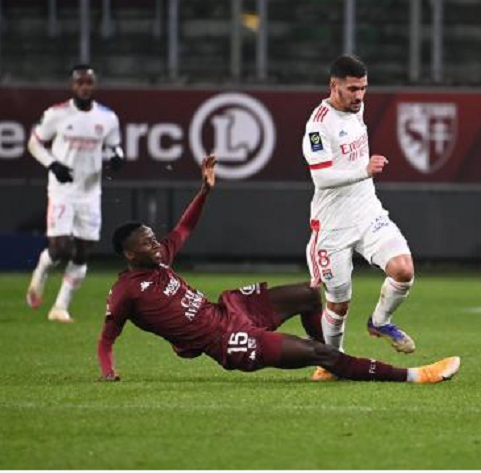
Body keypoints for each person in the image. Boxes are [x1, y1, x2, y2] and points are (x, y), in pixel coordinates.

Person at [97, 154, 460, 384]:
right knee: (320, 353)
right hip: (227, 342)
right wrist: (108, 371)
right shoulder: (127, 291)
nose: (155, 244)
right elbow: (107, 337)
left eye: (152, 237)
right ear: (130, 255)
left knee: (308, 293)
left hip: (230, 310)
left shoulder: (162, 258)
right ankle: (413, 375)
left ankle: (332, 362)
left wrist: (204, 191)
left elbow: (184, 228)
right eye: (145, 243)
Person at [302, 55, 417, 382]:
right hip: (333, 225)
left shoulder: (357, 107)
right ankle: (331, 362)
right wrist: (363, 170)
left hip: (368, 212)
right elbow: (321, 178)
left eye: (364, 89)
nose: (359, 96)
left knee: (403, 270)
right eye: (352, 89)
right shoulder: (317, 125)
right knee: (338, 305)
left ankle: (379, 321)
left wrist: (363, 176)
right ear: (333, 86)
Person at [26, 64, 124, 322]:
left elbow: (115, 148)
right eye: (80, 82)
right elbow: (34, 143)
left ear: (94, 85)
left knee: (83, 251)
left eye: (88, 82)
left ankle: (60, 306)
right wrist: (53, 164)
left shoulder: (107, 118)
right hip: (62, 190)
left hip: (91, 192)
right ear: (73, 86)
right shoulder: (57, 114)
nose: (84, 87)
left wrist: (117, 159)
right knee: (59, 247)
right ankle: (42, 269)